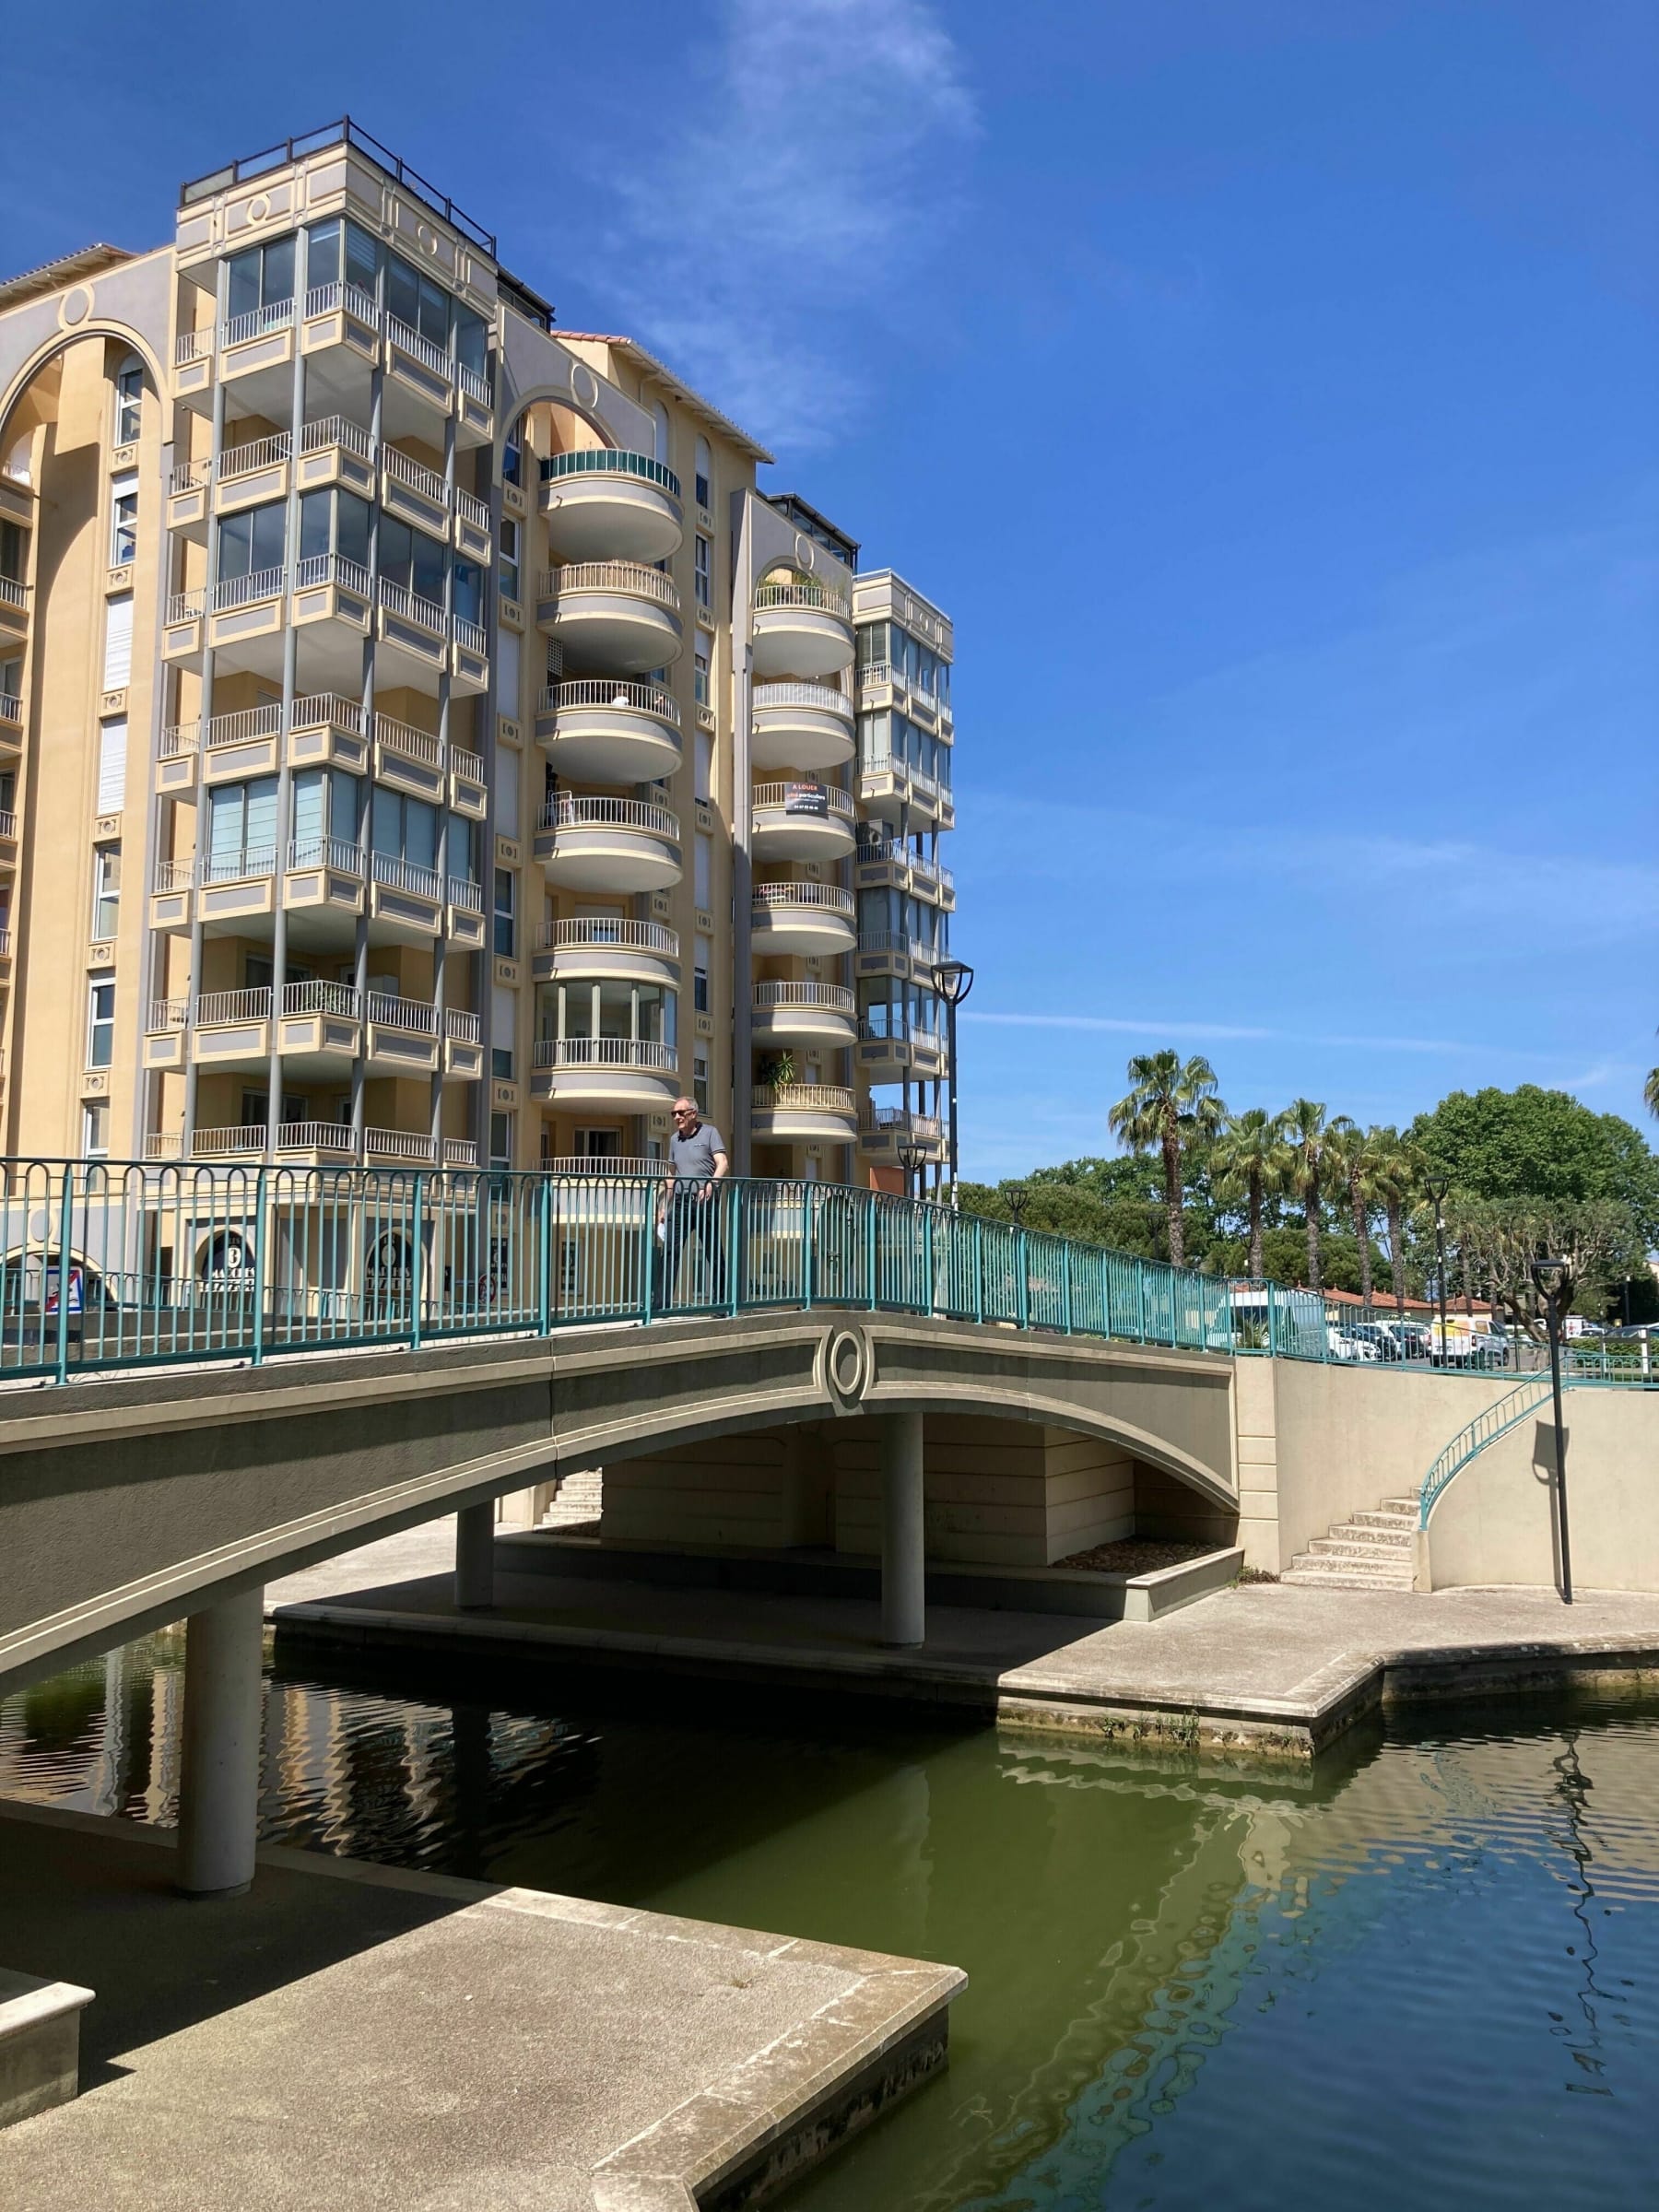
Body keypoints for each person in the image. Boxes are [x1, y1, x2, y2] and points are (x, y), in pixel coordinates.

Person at [655, 1097, 730, 1309]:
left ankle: (720, 1303)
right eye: (674, 1114)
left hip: (704, 1201)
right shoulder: (673, 1140)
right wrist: (664, 1206)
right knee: (670, 1250)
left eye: (681, 1113)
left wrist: (711, 1185)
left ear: (693, 1113)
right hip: (680, 1201)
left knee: (713, 1252)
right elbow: (671, 1176)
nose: (677, 1117)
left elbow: (722, 1163)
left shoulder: (710, 1133)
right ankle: (661, 1304)